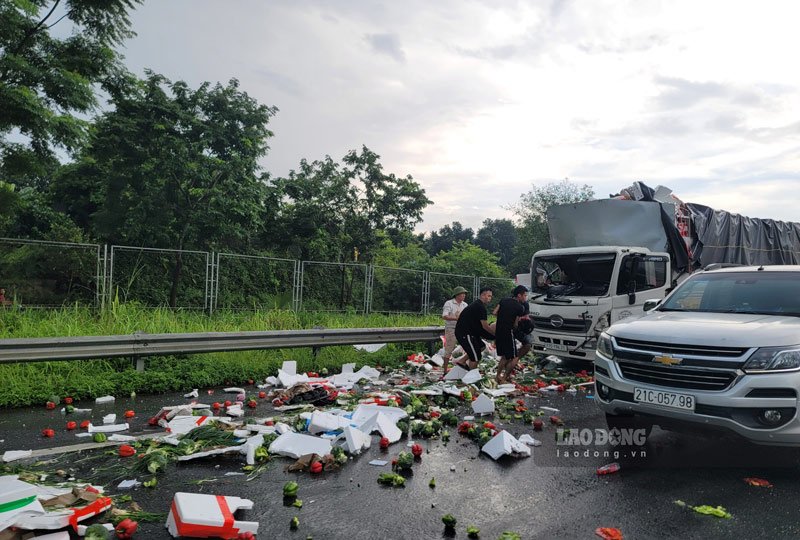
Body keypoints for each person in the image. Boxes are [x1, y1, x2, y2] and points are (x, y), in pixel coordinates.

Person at [454, 287, 495, 370]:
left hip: (471, 333)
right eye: (489, 296)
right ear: (483, 295)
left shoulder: (478, 305)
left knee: (481, 346)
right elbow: (485, 326)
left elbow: (479, 326)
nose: (490, 298)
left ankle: (461, 361)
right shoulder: (480, 307)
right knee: (476, 357)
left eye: (491, 296)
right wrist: (494, 334)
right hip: (465, 333)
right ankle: (472, 379)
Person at [494, 285, 529, 383]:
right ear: (519, 295)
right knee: (513, 357)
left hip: (498, 330)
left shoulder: (503, 300)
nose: (525, 298)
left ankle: (497, 376)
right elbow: (515, 324)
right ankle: (504, 377)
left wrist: (502, 318)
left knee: (504, 356)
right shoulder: (520, 307)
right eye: (524, 295)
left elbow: (494, 312)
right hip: (508, 332)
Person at [441, 286, 469, 373]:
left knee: (468, 347)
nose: (464, 295)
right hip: (451, 328)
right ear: (457, 295)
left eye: (464, 294)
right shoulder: (449, 303)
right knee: (449, 349)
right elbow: (444, 316)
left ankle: (464, 367)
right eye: (462, 294)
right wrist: (456, 318)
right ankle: (445, 370)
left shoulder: (465, 305)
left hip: (462, 329)